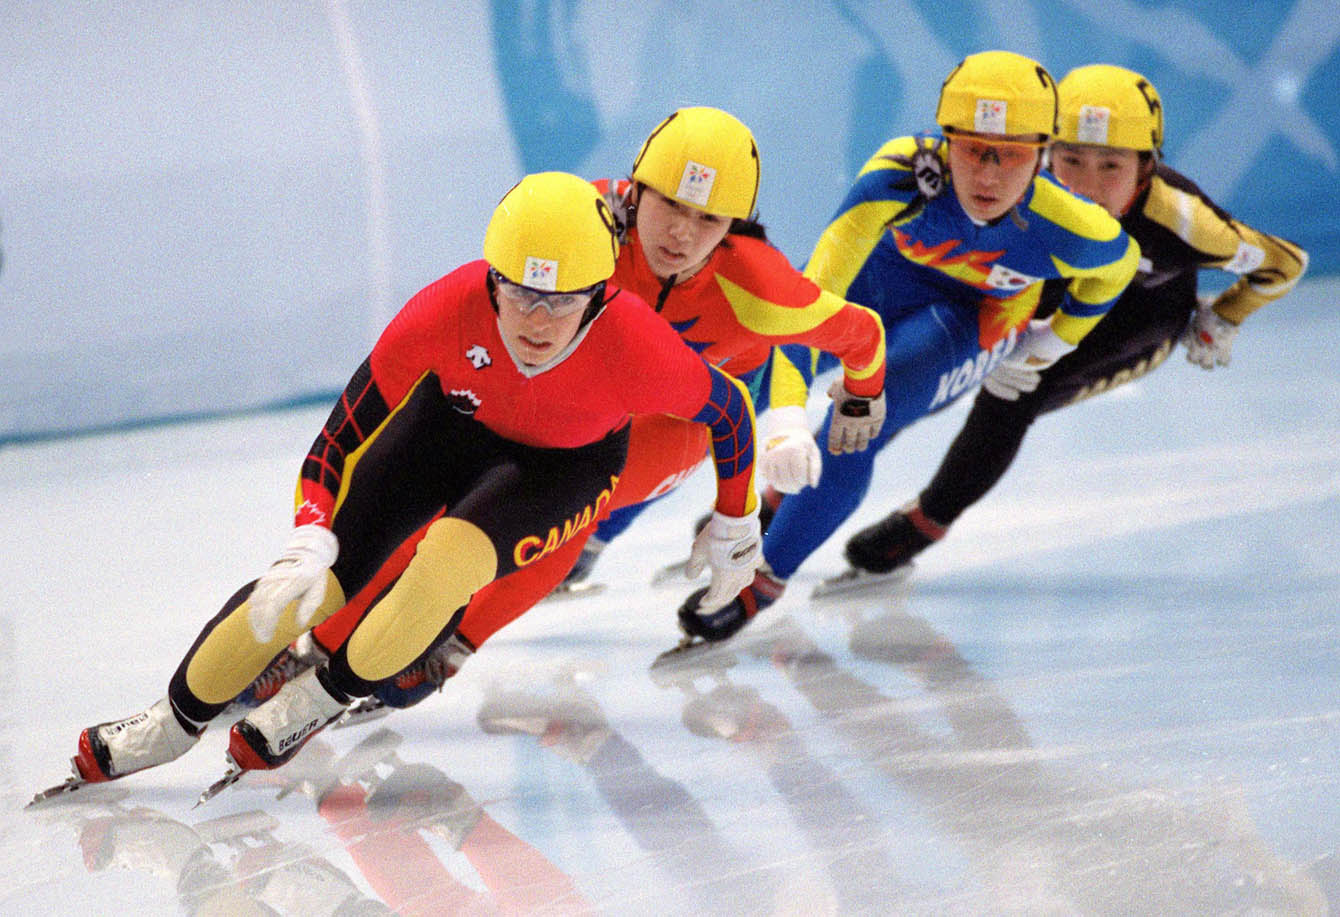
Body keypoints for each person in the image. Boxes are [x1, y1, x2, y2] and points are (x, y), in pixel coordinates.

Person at [64, 171, 768, 787]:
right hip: (448, 426)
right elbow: (339, 436)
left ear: (600, 295)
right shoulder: (444, 308)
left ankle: (320, 699)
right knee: (313, 583)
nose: (537, 319)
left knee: (443, 567)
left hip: (563, 464)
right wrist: (309, 534)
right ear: (491, 276)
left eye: (564, 301)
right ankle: (168, 722)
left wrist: (736, 521)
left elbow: (733, 410)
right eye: (520, 293)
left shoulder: (637, 344)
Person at [241, 106, 888, 713]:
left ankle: (454, 642)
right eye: (670, 204)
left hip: (679, 414)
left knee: (577, 500)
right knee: (438, 485)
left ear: (734, 230)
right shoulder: (585, 223)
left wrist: (862, 394)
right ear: (635, 191)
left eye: (709, 220)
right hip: (573, 385)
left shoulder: (761, 285)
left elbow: (862, 334)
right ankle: (312, 642)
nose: (683, 233)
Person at [677, 50, 1143, 642]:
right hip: (883, 280)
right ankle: (597, 535)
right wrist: (787, 415)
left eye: (1014, 156)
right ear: (945, 142)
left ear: (1043, 156)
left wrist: (1054, 341)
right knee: (739, 373)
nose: (990, 177)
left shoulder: (1073, 227)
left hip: (970, 320)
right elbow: (808, 299)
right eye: (973, 151)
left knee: (855, 422)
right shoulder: (899, 172)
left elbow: (1119, 267)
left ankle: (761, 584)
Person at [839, 63, 1309, 577]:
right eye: (1072, 161)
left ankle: (925, 522)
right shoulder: (1024, 178)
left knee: (1014, 393)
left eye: (1111, 167)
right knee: (935, 367)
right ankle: (814, 477)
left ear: (1147, 168)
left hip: (1139, 321)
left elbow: (1286, 264)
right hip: (1046, 292)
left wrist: (1225, 315)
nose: (1087, 186)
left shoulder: (1186, 222)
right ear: (1045, 153)